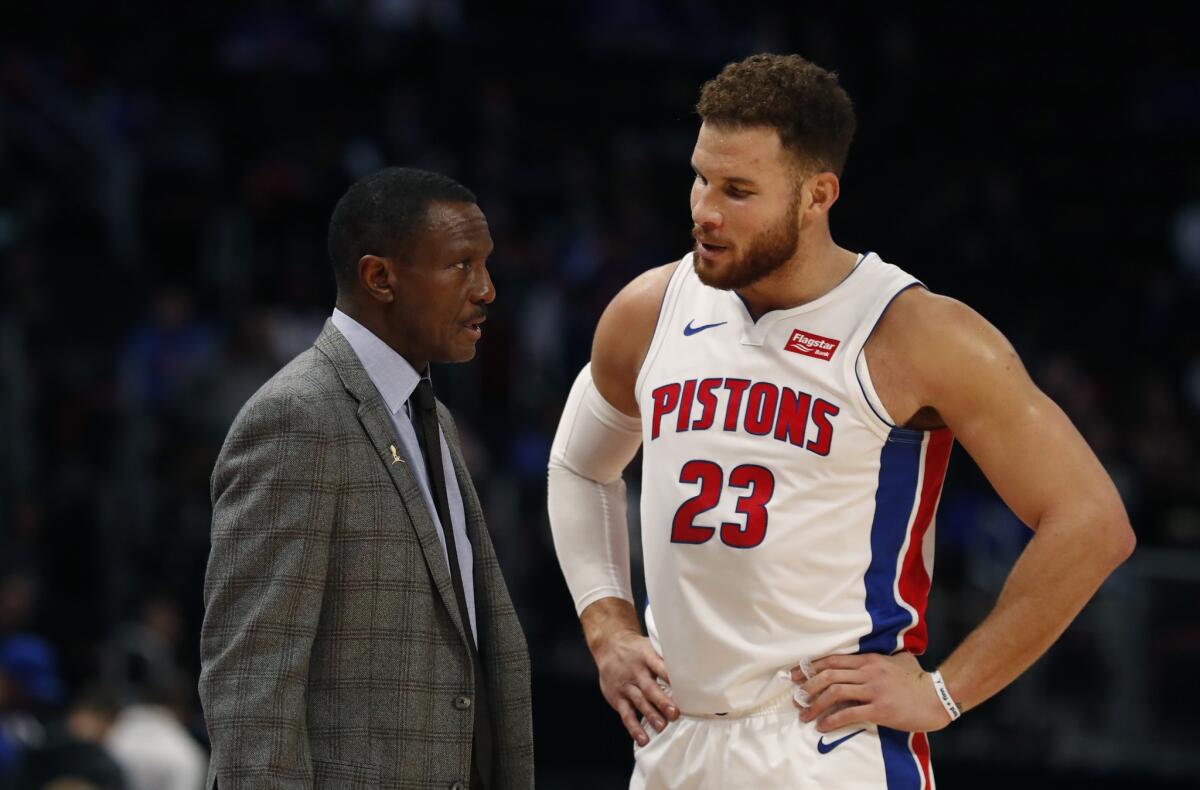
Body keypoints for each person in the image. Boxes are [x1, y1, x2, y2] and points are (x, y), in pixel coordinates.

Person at [547, 54, 1135, 789]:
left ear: (817, 194)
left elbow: (1091, 521)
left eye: (738, 190)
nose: (705, 209)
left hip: (823, 744)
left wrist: (944, 692)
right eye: (701, 177)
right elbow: (579, 465)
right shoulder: (649, 308)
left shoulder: (915, 332)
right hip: (675, 738)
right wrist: (607, 627)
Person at [200, 167, 533, 789]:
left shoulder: (432, 417)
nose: (486, 289)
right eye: (461, 265)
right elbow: (252, 687)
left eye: (486, 264)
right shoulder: (298, 417)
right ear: (380, 277)